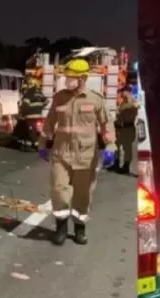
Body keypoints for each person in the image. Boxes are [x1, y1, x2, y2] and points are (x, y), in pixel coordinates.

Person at [38, 58, 117, 245]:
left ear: (83, 78)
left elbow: (107, 125)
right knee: (59, 191)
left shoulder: (95, 99)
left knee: (83, 195)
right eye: (66, 77)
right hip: (61, 154)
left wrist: (111, 147)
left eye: (71, 77)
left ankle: (80, 229)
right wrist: (42, 144)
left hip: (86, 156)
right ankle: (61, 228)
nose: (67, 80)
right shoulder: (59, 97)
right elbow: (49, 123)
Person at [113, 87, 139, 175]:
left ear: (128, 92)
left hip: (127, 128)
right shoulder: (123, 102)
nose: (121, 94)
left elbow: (130, 113)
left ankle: (126, 166)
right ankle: (116, 164)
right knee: (116, 146)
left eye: (123, 92)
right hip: (120, 128)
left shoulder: (132, 103)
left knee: (127, 148)